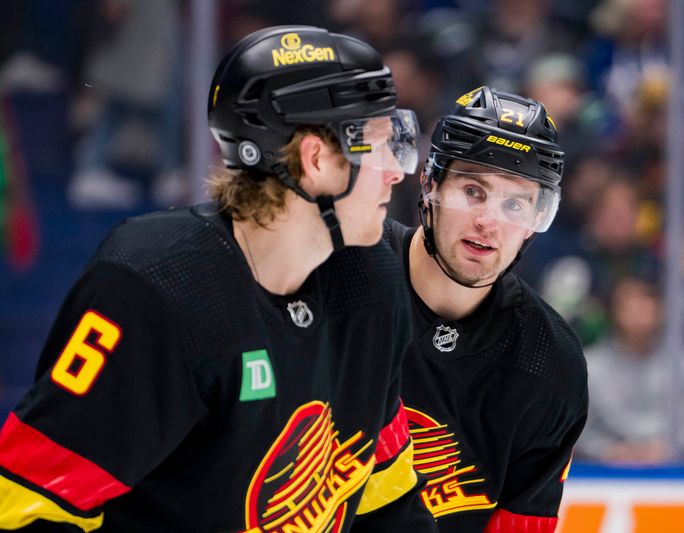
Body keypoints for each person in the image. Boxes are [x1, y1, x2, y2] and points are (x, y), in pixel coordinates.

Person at [0, 25, 435, 532]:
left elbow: (388, 501)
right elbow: (29, 507)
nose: (397, 171)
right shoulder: (154, 287)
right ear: (315, 161)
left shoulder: (374, 279)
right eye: (382, 145)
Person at [384, 86, 588, 532]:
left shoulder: (550, 361)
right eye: (474, 191)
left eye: (515, 204)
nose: (489, 221)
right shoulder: (346, 271)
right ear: (430, 183)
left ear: (538, 220)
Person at [576, 276, 684, 464]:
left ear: (661, 310)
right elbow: (580, 427)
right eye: (630, 306)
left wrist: (669, 448)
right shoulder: (589, 366)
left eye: (646, 305)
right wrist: (609, 451)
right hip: (606, 471)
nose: (639, 315)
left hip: (673, 468)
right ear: (613, 312)